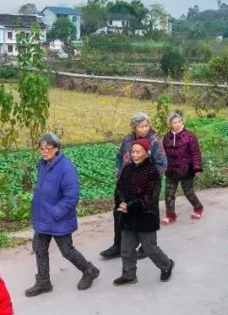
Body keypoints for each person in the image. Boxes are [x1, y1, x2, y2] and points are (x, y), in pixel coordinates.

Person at [25, 132, 100, 297]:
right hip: (43, 216)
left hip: (58, 218)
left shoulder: (67, 168)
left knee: (67, 250)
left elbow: (72, 197)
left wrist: (55, 212)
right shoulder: (42, 164)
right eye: (41, 148)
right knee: (39, 247)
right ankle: (43, 281)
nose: (44, 151)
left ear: (57, 149)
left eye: (48, 148)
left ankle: (89, 270)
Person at [100, 113, 167, 259]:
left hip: (147, 186)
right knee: (120, 211)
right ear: (134, 127)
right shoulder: (128, 139)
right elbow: (119, 156)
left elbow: (162, 164)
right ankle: (118, 245)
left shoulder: (154, 141)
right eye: (141, 126)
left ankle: (145, 247)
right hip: (127, 183)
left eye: (146, 125)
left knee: (144, 213)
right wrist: (119, 172)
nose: (145, 129)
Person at [113, 138, 175, 285]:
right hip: (128, 217)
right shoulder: (127, 169)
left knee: (149, 249)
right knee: (126, 249)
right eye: (132, 151)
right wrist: (120, 202)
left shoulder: (152, 172)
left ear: (147, 153)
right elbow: (119, 188)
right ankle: (129, 275)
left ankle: (166, 265)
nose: (134, 155)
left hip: (145, 216)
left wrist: (130, 206)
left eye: (137, 152)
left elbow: (150, 197)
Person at [161, 111, 204, 223]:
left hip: (186, 170)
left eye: (179, 121)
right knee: (169, 194)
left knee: (188, 192)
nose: (177, 124)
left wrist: (197, 168)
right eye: (174, 122)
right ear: (170, 124)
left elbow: (195, 153)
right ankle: (171, 215)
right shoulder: (167, 137)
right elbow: (163, 154)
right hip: (171, 171)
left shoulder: (189, 136)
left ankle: (198, 207)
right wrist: (162, 167)